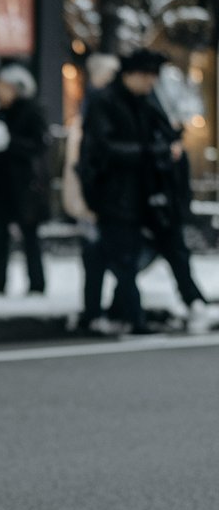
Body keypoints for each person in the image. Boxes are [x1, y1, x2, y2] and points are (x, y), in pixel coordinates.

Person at [79, 47, 204, 335]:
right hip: (118, 195)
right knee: (123, 256)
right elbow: (103, 149)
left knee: (171, 249)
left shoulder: (148, 100)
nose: (150, 83)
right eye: (147, 76)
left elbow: (163, 135)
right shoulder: (105, 102)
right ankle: (131, 318)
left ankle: (186, 304)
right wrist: (153, 152)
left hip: (153, 193)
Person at [0, 64, 51, 295]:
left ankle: (37, 283)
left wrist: (11, 143)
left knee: (29, 235)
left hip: (23, 183)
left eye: (4, 87)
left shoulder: (31, 111)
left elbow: (39, 145)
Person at [62, 53, 121, 333]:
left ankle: (95, 310)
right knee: (98, 254)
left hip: (96, 194)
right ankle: (95, 311)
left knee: (99, 255)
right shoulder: (97, 106)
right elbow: (83, 161)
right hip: (94, 194)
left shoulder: (95, 104)